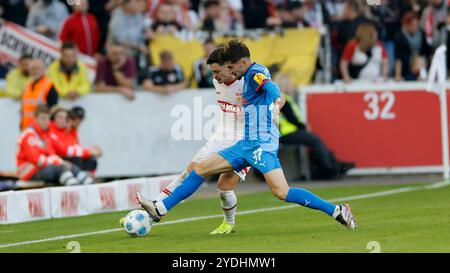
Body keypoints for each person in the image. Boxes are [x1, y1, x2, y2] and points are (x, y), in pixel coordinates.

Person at [136, 40, 357, 231]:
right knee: (201, 169)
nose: (231, 73)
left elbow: (270, 86)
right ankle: (160, 208)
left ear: (243, 63)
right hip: (245, 143)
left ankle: (337, 210)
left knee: (282, 192)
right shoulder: (245, 73)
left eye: (232, 68)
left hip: (262, 145)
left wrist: (278, 100)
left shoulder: (254, 74)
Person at [124, 47, 248, 234]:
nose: (214, 77)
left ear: (229, 67)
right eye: (212, 72)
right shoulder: (218, 82)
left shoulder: (246, 84)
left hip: (245, 141)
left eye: (217, 72)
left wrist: (277, 104)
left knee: (224, 187)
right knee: (188, 173)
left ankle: (229, 223)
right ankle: (152, 211)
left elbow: (273, 94)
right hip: (222, 135)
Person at [274, 71, 355, 180]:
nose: (293, 86)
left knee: (316, 140)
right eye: (291, 84)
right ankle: (330, 168)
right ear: (286, 85)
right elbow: (291, 118)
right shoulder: (284, 100)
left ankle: (333, 165)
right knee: (315, 140)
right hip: (286, 133)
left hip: (288, 132)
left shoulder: (284, 99)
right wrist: (304, 127)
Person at [16, 105, 94, 185]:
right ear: (35, 119)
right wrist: (58, 162)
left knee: (70, 166)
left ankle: (89, 185)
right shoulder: (29, 135)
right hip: (28, 172)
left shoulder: (44, 135)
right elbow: (37, 159)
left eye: (47, 119)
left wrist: (60, 162)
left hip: (40, 168)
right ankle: (74, 189)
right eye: (43, 118)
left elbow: (51, 154)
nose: (46, 122)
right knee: (61, 168)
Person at [48, 106, 101, 173]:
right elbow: (64, 150)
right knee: (77, 160)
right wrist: (90, 151)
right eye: (60, 117)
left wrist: (91, 152)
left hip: (65, 158)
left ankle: (88, 178)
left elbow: (75, 147)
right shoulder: (50, 131)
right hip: (56, 160)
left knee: (91, 160)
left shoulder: (70, 131)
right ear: (53, 118)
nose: (63, 120)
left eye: (66, 117)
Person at [20, 59, 59, 131]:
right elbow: (24, 108)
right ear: (29, 70)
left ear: (44, 70)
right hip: (26, 127)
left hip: (41, 128)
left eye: (38, 68)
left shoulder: (49, 85)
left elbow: (53, 108)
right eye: (33, 68)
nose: (35, 71)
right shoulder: (27, 85)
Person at [394, 11, 431, 81]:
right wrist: (397, 74)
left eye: (416, 25)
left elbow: (426, 52)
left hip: (420, 64)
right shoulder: (400, 36)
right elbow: (398, 57)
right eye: (413, 25)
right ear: (406, 24)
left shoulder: (421, 33)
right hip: (406, 66)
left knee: (420, 60)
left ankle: (422, 75)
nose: (415, 28)